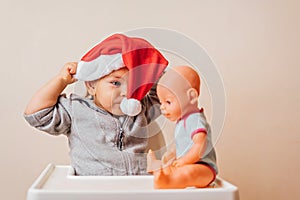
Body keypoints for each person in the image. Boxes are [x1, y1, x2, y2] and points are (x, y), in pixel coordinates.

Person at [24, 33, 168, 176]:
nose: (126, 92)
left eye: (134, 85)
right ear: (92, 86)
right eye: (116, 83)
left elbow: (163, 91)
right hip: (91, 187)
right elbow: (36, 114)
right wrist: (61, 80)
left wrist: (144, 63)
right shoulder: (76, 110)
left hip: (135, 186)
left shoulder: (140, 110)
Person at [147, 66, 218, 189]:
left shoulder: (195, 119)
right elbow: (182, 144)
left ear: (191, 97)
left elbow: (199, 147)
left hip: (204, 167)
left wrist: (184, 161)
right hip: (187, 164)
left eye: (168, 102)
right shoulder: (182, 121)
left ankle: (166, 180)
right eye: (161, 102)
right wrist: (171, 154)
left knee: (188, 173)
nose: (162, 107)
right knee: (174, 169)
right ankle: (160, 170)